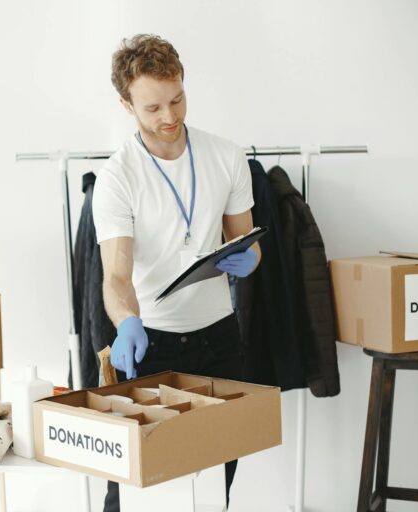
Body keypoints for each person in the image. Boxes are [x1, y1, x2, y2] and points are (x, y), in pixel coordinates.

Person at [92, 34, 260, 511]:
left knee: (212, 488)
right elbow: (116, 275)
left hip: (220, 340)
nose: (169, 117)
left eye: (177, 99)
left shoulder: (227, 157)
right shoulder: (118, 178)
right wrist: (127, 320)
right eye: (152, 108)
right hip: (154, 346)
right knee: (134, 490)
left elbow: (244, 239)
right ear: (126, 105)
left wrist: (249, 260)